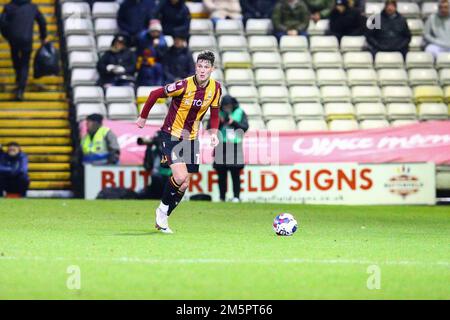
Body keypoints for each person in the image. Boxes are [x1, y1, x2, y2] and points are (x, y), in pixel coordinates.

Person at [136, 50, 222, 234]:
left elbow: (214, 113)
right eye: (199, 66)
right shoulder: (183, 85)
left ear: (212, 69)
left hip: (192, 138)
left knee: (184, 184)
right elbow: (154, 94)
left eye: (206, 67)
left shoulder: (216, 88)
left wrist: (214, 132)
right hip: (171, 135)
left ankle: (164, 216)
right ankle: (161, 210)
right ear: (195, 67)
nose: (202, 70)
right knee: (180, 177)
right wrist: (143, 117)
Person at [0, 0, 47, 101]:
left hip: (13, 38)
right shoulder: (32, 7)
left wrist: (6, 35)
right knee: (25, 63)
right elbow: (42, 21)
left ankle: (18, 79)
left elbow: (2, 22)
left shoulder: (9, 7)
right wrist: (43, 36)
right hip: (27, 39)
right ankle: (21, 89)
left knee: (15, 58)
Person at [210, 95, 248, 202]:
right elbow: (209, 127)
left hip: (235, 146)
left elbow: (245, 127)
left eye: (229, 106)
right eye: (225, 106)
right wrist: (220, 122)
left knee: (235, 174)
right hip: (221, 145)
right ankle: (222, 197)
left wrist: (233, 122)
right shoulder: (217, 113)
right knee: (221, 174)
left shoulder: (240, 112)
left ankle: (236, 197)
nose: (227, 108)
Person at [136, 19, 168, 86]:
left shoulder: (162, 42)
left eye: (157, 31)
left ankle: (158, 87)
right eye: (153, 31)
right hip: (144, 63)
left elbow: (164, 56)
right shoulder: (143, 39)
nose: (155, 33)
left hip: (158, 64)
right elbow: (140, 52)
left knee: (159, 69)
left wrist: (156, 47)